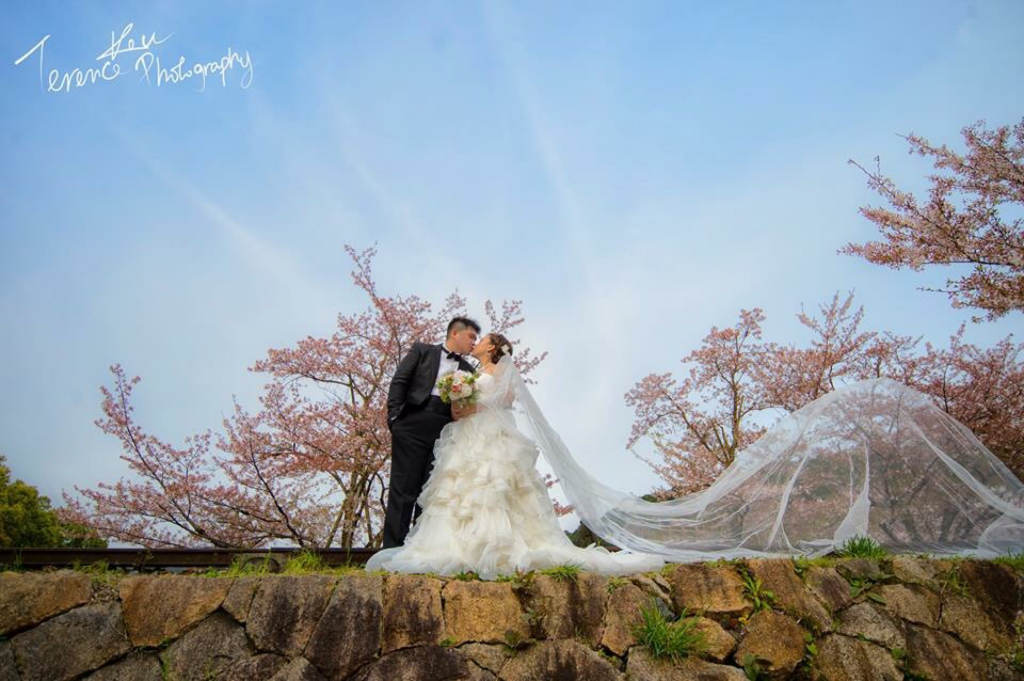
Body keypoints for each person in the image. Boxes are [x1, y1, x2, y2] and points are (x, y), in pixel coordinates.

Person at [367, 333, 667, 578]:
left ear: (494, 347)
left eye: (481, 339)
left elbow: (506, 401)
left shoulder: (500, 370)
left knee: (491, 485)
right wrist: (459, 405)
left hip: (491, 433)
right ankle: (456, 546)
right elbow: (463, 407)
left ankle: (496, 545)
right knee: (458, 488)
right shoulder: (470, 373)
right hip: (467, 432)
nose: (477, 342)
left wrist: (475, 406)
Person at [381, 316, 480, 549]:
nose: (474, 342)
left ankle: (418, 551)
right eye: (471, 336)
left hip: (445, 430)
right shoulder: (422, 351)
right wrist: (394, 418)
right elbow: (399, 382)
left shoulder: (469, 371)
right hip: (412, 423)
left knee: (432, 491)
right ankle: (391, 551)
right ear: (455, 333)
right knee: (403, 488)